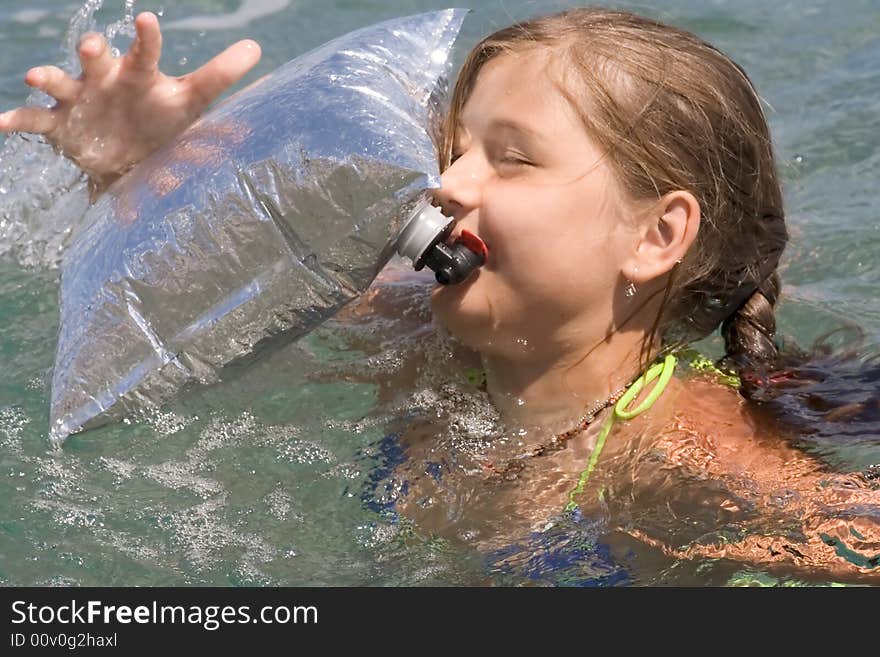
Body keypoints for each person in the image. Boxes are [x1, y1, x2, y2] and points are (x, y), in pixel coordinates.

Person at [2, 9, 878, 584]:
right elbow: (199, 300)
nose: (446, 183)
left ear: (656, 236)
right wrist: (145, 173)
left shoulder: (685, 446)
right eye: (454, 150)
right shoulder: (413, 343)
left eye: (512, 156)